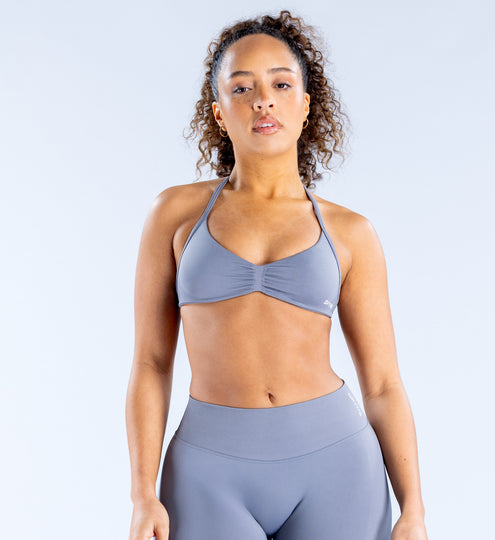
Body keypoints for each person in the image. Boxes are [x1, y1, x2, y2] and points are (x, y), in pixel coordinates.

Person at [126, 9, 428, 540]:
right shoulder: (174, 215)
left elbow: (382, 384)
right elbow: (151, 364)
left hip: (338, 466)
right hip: (207, 471)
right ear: (219, 112)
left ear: (306, 104)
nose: (262, 100)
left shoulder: (350, 232)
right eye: (241, 88)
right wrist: (142, 494)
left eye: (281, 84)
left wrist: (414, 510)